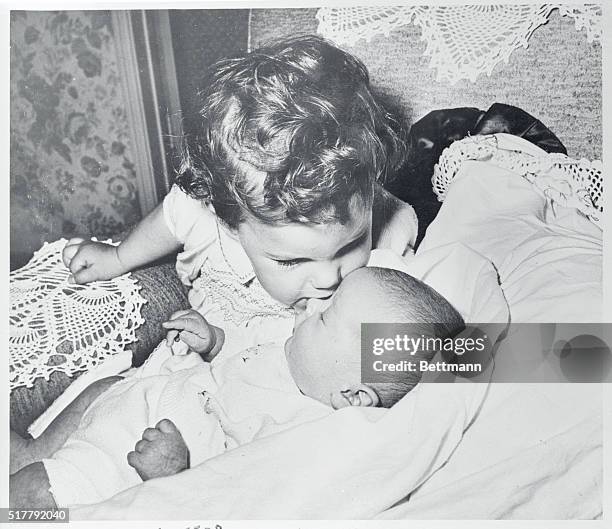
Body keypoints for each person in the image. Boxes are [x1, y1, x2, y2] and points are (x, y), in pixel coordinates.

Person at [61, 35, 417, 359]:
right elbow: (170, 219)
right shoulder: (202, 216)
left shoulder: (388, 237)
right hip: (211, 374)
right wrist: (118, 258)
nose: (328, 279)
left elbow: (426, 343)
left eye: (349, 246)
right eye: (292, 262)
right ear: (228, 220)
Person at [10, 267, 463, 508]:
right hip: (127, 403)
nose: (309, 306)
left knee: (31, 496)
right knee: (97, 392)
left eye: (325, 317)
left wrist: (174, 475)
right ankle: (31, 453)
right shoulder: (295, 356)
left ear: (351, 396)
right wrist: (214, 341)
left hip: (116, 470)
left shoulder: (297, 431)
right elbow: (244, 357)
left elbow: (231, 491)